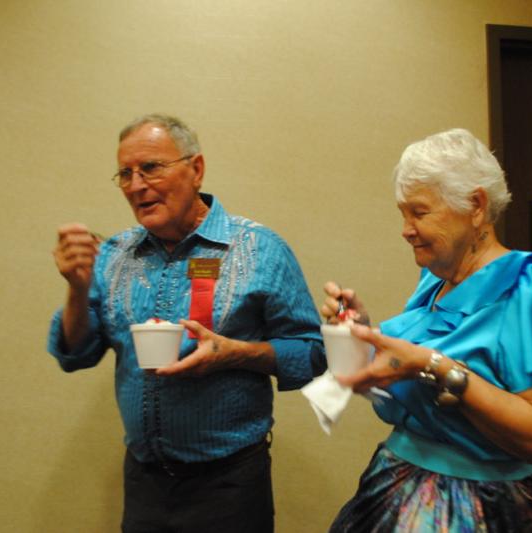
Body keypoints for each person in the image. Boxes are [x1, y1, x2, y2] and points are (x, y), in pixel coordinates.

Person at [48, 114, 325, 533]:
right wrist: (76, 286)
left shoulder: (258, 248)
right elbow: (75, 355)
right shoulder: (115, 255)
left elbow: (313, 353)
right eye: (126, 174)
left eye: (151, 168)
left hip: (229, 485)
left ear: (196, 169)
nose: (136, 185)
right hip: (143, 482)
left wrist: (236, 354)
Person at [321, 128, 532, 532]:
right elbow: (406, 387)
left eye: (419, 213)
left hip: (487, 507)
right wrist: (360, 335)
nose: (405, 229)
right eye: (403, 213)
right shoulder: (435, 282)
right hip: (397, 485)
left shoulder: (531, 288)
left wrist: (435, 366)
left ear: (475, 205)